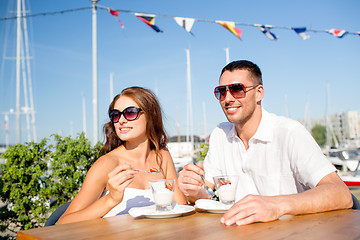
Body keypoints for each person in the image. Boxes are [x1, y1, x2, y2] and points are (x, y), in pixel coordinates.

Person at [178, 60, 352, 226]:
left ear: (259, 93)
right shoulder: (220, 134)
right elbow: (208, 193)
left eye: (237, 89)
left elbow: (341, 194)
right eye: (221, 91)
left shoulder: (289, 132)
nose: (228, 98)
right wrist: (194, 190)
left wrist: (276, 205)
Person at [58, 86, 186, 224]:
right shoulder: (106, 164)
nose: (121, 120)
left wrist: (192, 189)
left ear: (151, 116)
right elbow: (63, 223)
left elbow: (180, 207)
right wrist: (111, 199)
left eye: (130, 113)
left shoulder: (162, 156)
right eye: (115, 115)